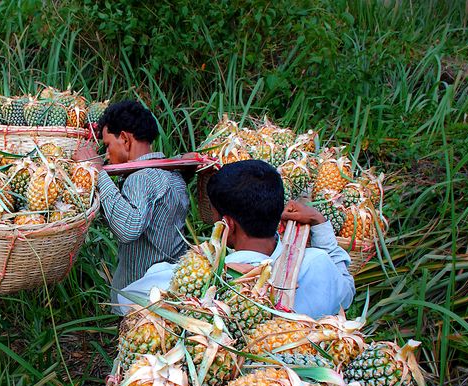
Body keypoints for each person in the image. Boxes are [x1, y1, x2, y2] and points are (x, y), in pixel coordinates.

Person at [120, 160, 355, 318]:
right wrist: (321, 224)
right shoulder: (318, 265)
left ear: (227, 225)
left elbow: (125, 299)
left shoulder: (194, 281)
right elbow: (346, 288)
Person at [74, 100, 190, 313]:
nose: (107, 155)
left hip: (143, 301)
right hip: (171, 292)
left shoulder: (141, 177)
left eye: (108, 145)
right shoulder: (173, 173)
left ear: (125, 139)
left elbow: (128, 229)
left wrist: (97, 171)